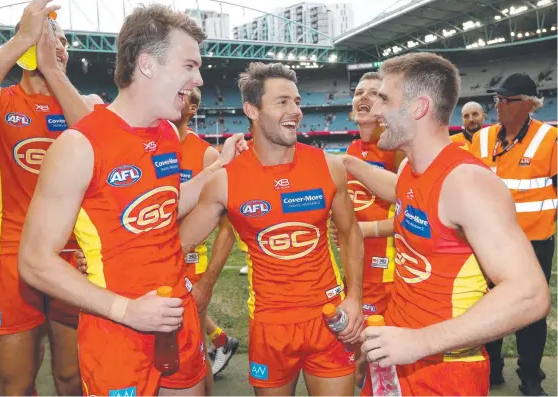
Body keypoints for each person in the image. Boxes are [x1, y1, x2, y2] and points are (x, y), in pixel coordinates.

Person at [18, 5, 245, 396]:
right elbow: (34, 261)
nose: (199, 78)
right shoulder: (79, 146)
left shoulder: (166, 135)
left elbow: (163, 206)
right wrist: (126, 310)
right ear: (147, 65)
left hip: (178, 316)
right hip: (117, 331)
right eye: (190, 65)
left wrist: (214, 170)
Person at [342, 52, 550, 396]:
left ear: (419, 107)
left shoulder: (466, 182)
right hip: (398, 353)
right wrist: (347, 163)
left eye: (384, 99)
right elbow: (405, 193)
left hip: (444, 370)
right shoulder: (411, 169)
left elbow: (530, 294)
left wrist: (420, 341)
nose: (374, 110)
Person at [179, 62, 364, 396]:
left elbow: (350, 233)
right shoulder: (225, 181)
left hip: (328, 319)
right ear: (252, 109)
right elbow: (177, 244)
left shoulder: (328, 167)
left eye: (296, 101)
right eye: (282, 102)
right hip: (270, 327)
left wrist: (354, 298)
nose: (295, 111)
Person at [0, 0, 102, 394]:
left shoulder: (87, 103)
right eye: (46, 37)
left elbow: (101, 139)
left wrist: (54, 71)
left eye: (61, 40)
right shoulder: (4, 102)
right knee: (15, 381)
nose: (54, 44)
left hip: (73, 254)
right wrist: (22, 36)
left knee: (72, 377)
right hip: (10, 252)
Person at [471, 72, 557, 395]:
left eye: (506, 100)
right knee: (490, 306)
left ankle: (530, 378)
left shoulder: (549, 140)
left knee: (531, 311)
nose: (499, 105)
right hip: (488, 242)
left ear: (528, 105)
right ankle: (491, 370)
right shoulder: (480, 139)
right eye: (497, 99)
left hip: (533, 244)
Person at [330, 71, 404, 388]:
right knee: (356, 356)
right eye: (359, 91)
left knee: (378, 361)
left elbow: (414, 216)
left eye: (373, 93)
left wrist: (364, 229)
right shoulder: (351, 149)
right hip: (356, 272)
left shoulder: (397, 149)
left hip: (388, 276)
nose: (363, 97)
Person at [174, 87, 239, 385]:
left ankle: (218, 341)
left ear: (193, 109)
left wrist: (208, 281)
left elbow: (228, 226)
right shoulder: (142, 145)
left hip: (188, 264)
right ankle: (222, 339)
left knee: (193, 353)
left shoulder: (206, 155)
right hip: (146, 264)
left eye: (182, 94)